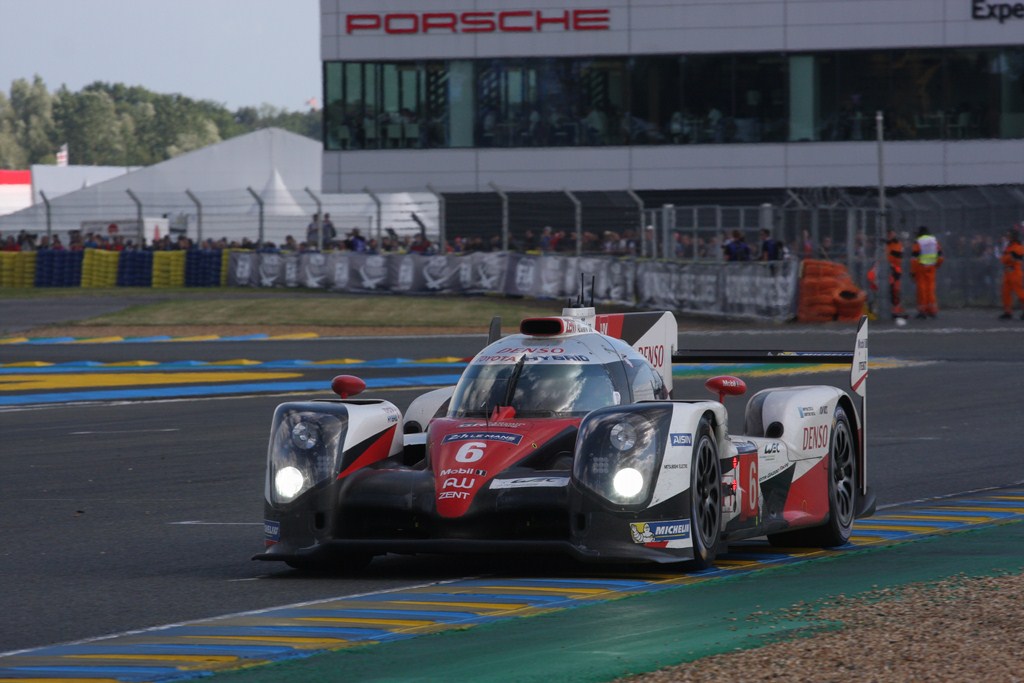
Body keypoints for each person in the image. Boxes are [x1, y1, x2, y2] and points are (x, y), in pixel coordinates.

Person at [911, 225, 943, 319]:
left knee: (922, 290)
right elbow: (940, 256)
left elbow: (914, 258)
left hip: (921, 267)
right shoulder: (934, 241)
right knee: (931, 289)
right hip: (932, 267)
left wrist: (913, 272)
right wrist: (936, 265)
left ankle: (923, 311)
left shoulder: (918, 241)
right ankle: (932, 310)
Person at [998, 228, 1024, 320]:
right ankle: (1007, 312)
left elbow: (1012, 258)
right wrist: (1007, 257)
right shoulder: (1008, 246)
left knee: (1020, 293)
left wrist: (1007, 257)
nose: (1007, 237)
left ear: (1014, 236)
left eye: (1009, 235)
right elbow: (1003, 259)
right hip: (1007, 272)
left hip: (1015, 272)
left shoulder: (1019, 246)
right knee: (1005, 293)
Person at [884, 227, 908, 321]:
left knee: (895, 290)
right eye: (889, 234)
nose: (890, 236)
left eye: (891, 234)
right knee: (889, 290)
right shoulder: (887, 244)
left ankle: (896, 310)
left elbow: (897, 256)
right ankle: (891, 309)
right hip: (888, 269)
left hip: (894, 270)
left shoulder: (896, 244)